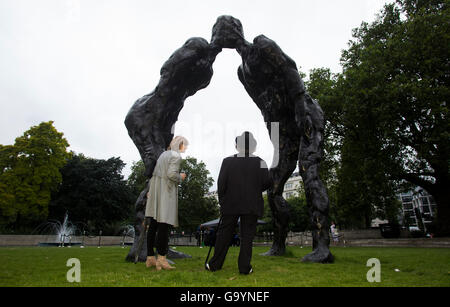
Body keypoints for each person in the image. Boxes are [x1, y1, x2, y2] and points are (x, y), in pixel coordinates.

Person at [205, 131, 272, 274]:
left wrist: (223, 202)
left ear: (237, 146)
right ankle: (244, 268)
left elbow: (221, 184)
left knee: (224, 235)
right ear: (253, 147)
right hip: (251, 204)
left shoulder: (227, 161)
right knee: (247, 237)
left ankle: (215, 265)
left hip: (230, 204)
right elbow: (266, 183)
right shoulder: (260, 162)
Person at [144, 136, 188, 270]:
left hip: (156, 190)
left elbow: (154, 174)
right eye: (184, 145)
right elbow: (171, 174)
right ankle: (162, 259)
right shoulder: (176, 156)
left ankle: (150, 257)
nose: (185, 148)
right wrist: (180, 177)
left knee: (153, 225)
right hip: (166, 192)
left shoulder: (163, 154)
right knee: (164, 225)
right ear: (179, 145)